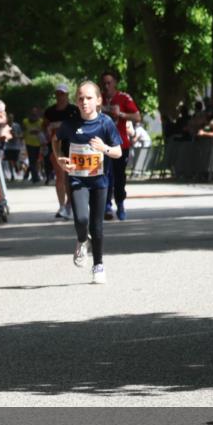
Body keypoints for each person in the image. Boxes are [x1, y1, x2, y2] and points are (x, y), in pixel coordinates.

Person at [54, 82, 123, 284]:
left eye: (89, 98)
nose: (84, 102)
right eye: (81, 98)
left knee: (97, 225)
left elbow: (118, 152)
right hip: (77, 179)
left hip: (100, 181)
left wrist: (104, 148)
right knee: (82, 220)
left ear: (99, 100)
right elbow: (55, 140)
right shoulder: (70, 124)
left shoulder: (105, 123)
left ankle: (98, 265)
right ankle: (82, 240)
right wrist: (60, 158)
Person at [99, 70, 141, 220]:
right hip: (103, 144)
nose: (106, 86)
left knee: (119, 177)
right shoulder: (98, 99)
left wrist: (121, 114)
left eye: (109, 82)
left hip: (120, 144)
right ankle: (106, 206)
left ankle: (120, 203)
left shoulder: (123, 98)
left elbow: (137, 116)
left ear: (115, 83)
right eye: (104, 83)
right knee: (105, 175)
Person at [43, 84, 78, 218]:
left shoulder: (74, 110)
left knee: (70, 178)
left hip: (72, 146)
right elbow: (44, 126)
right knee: (60, 176)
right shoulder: (50, 112)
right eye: (58, 93)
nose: (60, 96)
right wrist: (46, 135)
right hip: (56, 147)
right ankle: (62, 206)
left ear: (67, 95)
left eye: (62, 94)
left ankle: (70, 204)